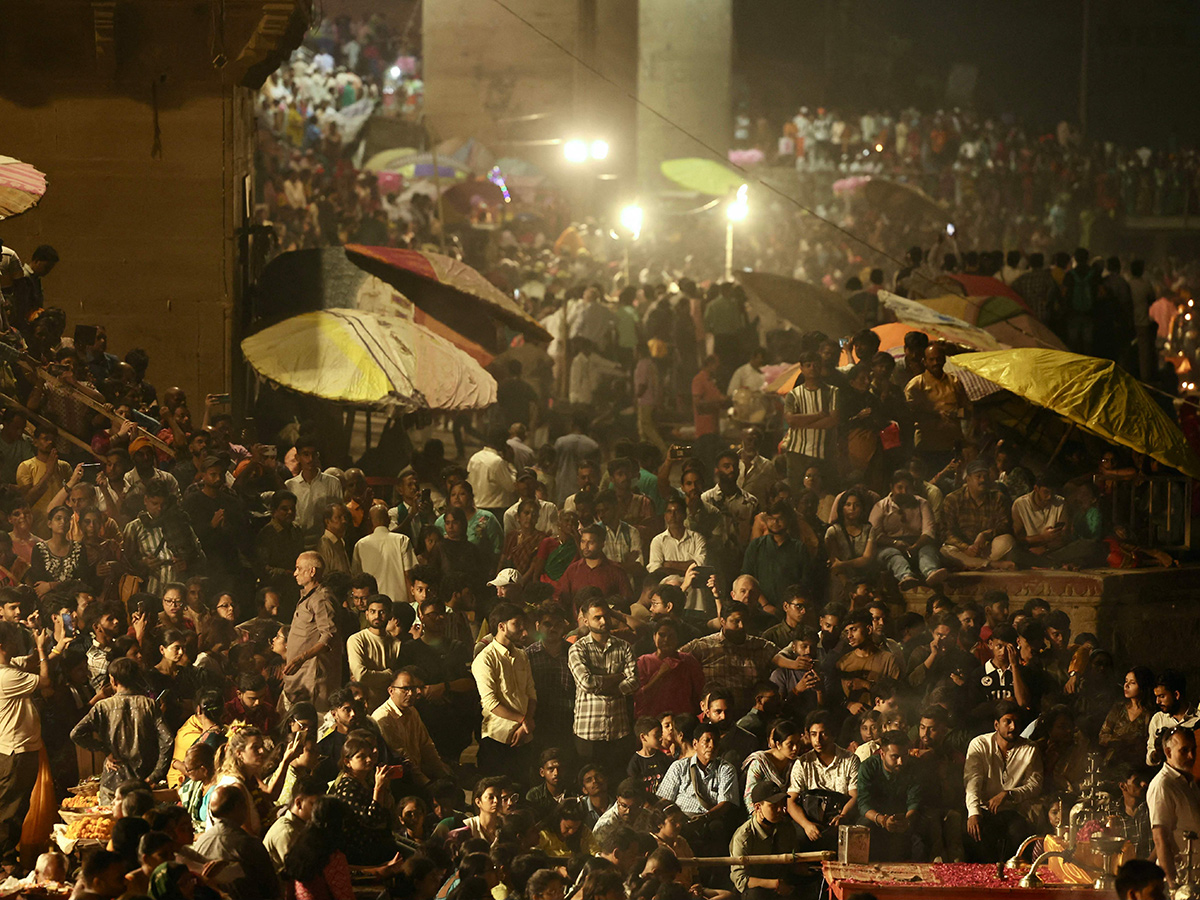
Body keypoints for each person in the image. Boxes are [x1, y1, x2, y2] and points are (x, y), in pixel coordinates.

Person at [70, 657, 173, 803]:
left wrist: (106, 751)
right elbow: (167, 739)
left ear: (112, 680)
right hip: (142, 782)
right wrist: (156, 774)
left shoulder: (103, 707)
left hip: (113, 784)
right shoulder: (149, 705)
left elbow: (76, 734)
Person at [0, 620, 55, 866]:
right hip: (16, 749)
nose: (16, 645)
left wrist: (50, 643)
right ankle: (6, 860)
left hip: (17, 747)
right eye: (13, 640)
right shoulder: (6, 676)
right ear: (2, 646)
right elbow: (44, 681)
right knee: (10, 808)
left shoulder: (10, 666)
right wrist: (42, 652)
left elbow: (32, 662)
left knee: (16, 804)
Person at [964, 700, 1043, 862]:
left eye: (1016, 722)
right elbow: (972, 781)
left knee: (1019, 835)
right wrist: (973, 813)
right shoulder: (979, 744)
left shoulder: (1029, 748)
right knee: (977, 835)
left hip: (1015, 810)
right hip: (984, 809)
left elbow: (1035, 785)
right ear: (996, 724)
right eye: (1008, 721)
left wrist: (1009, 794)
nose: (1013, 727)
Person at [568, 599, 637, 776]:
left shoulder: (624, 647)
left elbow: (634, 682)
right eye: (597, 617)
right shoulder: (577, 649)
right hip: (588, 732)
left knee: (617, 781)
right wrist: (619, 677)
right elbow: (586, 683)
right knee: (589, 784)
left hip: (618, 730)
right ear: (586, 621)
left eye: (606, 616)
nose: (603, 621)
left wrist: (603, 686)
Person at [472, 602, 537, 775]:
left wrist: (526, 722)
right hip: (497, 737)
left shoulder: (522, 654)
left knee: (521, 790)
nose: (523, 630)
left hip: (524, 735)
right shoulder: (485, 659)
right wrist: (523, 720)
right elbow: (491, 702)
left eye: (523, 625)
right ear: (501, 626)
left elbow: (531, 692)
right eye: (516, 624)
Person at [655, 722, 739, 852]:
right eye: (707, 741)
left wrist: (705, 818)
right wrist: (676, 819)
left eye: (715, 742)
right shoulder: (679, 767)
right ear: (695, 744)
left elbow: (725, 803)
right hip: (681, 818)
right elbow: (665, 800)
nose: (711, 746)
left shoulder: (726, 769)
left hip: (710, 818)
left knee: (717, 829)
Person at [194, 783, 282, 900]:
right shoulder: (248, 844)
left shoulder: (201, 842)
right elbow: (271, 889)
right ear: (238, 806)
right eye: (245, 805)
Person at [787, 710, 859, 847]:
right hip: (810, 818)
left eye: (823, 734)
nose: (818, 740)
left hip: (839, 817)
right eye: (813, 734)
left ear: (834, 735)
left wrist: (843, 816)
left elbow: (855, 796)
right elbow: (791, 802)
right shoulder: (802, 763)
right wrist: (806, 825)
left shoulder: (850, 760)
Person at [370, 668, 450, 788]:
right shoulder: (383, 717)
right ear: (391, 691)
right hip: (398, 780)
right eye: (405, 689)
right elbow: (402, 757)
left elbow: (426, 745)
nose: (411, 694)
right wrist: (426, 784)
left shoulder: (412, 711)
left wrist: (443, 773)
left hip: (417, 772)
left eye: (413, 688)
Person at [869, 469, 946, 590]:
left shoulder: (922, 504)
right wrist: (895, 543)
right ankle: (906, 576)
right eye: (899, 487)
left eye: (908, 488)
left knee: (927, 552)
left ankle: (931, 573)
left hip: (919, 543)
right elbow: (875, 534)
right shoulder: (880, 506)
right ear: (892, 487)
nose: (904, 491)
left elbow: (929, 531)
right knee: (892, 555)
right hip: (889, 545)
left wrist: (915, 546)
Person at [283, 551, 340, 711]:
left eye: (298, 568)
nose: (295, 573)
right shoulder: (309, 597)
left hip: (313, 677)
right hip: (301, 677)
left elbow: (329, 635)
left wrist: (301, 658)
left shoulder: (321, 599)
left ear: (312, 571)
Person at [939, 459, 1017, 570]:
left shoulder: (998, 497)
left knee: (1007, 541)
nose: (983, 480)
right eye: (978, 476)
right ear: (968, 479)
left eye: (985, 476)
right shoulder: (953, 499)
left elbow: (1004, 525)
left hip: (988, 548)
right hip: (963, 550)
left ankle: (974, 564)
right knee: (945, 551)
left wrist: (985, 535)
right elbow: (946, 532)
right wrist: (966, 548)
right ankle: (990, 565)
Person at [857, 730, 923, 861]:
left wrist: (906, 820)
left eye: (905, 755)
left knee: (924, 828)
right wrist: (882, 820)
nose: (901, 762)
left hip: (905, 817)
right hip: (876, 817)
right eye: (895, 757)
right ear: (882, 754)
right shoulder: (869, 766)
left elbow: (914, 801)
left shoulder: (914, 767)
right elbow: (863, 804)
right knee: (862, 827)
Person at [1148, 727, 1200, 894]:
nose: (1191, 756)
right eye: (1184, 751)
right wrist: (1172, 886)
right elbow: (1160, 838)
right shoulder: (1163, 785)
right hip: (1180, 881)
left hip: (1194, 879)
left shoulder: (1188, 782)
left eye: (1193, 750)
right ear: (1168, 752)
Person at [904, 343, 969, 472]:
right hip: (927, 445)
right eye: (931, 359)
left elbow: (967, 411)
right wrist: (934, 414)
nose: (936, 363)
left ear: (944, 359)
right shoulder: (916, 385)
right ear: (924, 361)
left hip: (952, 443)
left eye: (939, 359)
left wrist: (955, 414)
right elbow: (909, 415)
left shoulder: (955, 382)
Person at [781, 350, 840, 493]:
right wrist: (819, 415)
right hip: (797, 453)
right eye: (808, 365)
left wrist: (802, 423)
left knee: (825, 493)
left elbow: (832, 420)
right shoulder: (793, 395)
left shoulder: (833, 392)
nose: (812, 368)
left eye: (815, 365)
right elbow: (790, 420)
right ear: (801, 368)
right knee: (796, 493)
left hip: (824, 453)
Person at [742, 501, 815, 611]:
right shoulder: (756, 546)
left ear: (788, 519)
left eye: (780, 518)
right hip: (760, 609)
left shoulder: (799, 548)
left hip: (790, 610)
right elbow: (747, 578)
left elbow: (805, 582)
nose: (775, 522)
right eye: (771, 518)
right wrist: (765, 604)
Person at [634, 618, 703, 719]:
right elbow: (638, 696)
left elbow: (700, 691)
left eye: (671, 636)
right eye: (662, 635)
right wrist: (660, 674)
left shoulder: (688, 660)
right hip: (652, 721)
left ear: (677, 638)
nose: (666, 640)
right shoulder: (643, 662)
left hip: (682, 720)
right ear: (654, 637)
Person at [352, 504, 417, 607]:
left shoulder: (360, 545)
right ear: (389, 519)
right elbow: (408, 574)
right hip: (399, 605)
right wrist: (413, 604)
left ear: (370, 521)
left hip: (373, 607)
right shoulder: (402, 540)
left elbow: (357, 579)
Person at [347, 593, 403, 711]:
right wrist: (388, 674)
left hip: (388, 706)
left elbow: (397, 679)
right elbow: (361, 675)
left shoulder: (397, 644)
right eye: (372, 612)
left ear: (389, 615)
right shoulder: (357, 640)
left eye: (382, 612)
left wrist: (373, 676)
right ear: (367, 614)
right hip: (362, 707)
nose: (377, 616)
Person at [555, 525, 631, 611]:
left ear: (602, 544)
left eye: (590, 542)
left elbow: (626, 600)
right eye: (583, 542)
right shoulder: (573, 570)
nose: (585, 546)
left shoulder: (616, 571)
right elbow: (562, 600)